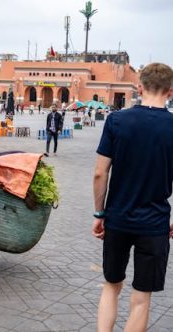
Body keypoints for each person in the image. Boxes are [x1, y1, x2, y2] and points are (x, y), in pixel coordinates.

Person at [92, 63, 173, 332]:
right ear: (170, 92)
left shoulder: (117, 120)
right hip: (155, 224)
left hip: (117, 219)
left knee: (111, 286)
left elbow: (100, 173)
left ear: (139, 88)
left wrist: (99, 213)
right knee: (141, 297)